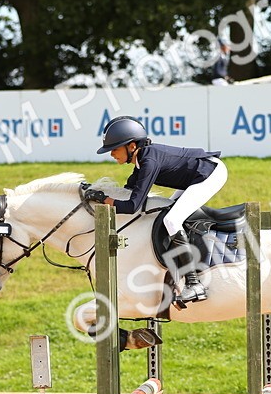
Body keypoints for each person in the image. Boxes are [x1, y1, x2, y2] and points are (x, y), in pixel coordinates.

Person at [85, 115, 226, 306]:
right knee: (166, 216)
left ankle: (195, 284)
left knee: (172, 221)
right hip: (194, 177)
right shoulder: (141, 161)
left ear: (132, 146)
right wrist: (96, 191)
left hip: (209, 173)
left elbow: (133, 206)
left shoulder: (149, 161)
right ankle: (177, 275)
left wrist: (104, 200)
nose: (111, 154)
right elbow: (128, 193)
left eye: (114, 149)